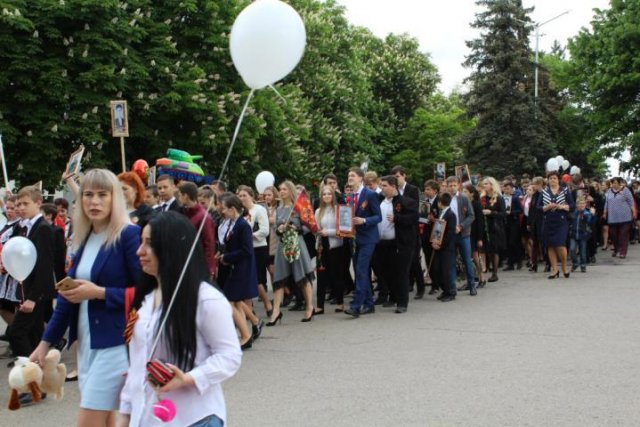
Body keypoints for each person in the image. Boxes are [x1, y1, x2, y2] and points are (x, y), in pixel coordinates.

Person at [30, 169, 141, 427]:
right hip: (87, 344)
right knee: (108, 421)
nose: (94, 201)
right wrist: (45, 344)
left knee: (89, 421)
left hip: (116, 344)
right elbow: (68, 297)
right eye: (88, 195)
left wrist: (99, 293)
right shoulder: (86, 237)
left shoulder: (128, 235)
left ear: (115, 198)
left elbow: (149, 292)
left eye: (103, 194)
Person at [118, 212, 242, 427]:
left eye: (149, 244)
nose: (140, 251)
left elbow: (230, 356)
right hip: (147, 418)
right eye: (141, 243)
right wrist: (125, 414)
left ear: (171, 248)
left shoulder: (206, 299)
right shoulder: (145, 300)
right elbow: (137, 366)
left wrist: (189, 378)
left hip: (194, 418)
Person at [6, 187, 56, 363]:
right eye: (18, 204)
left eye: (25, 204)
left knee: (16, 332)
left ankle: (30, 372)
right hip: (29, 290)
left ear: (38, 203)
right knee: (35, 336)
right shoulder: (25, 227)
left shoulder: (42, 228)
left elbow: (44, 266)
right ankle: (37, 383)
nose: (20, 207)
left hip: (38, 293)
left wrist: (33, 298)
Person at [216, 193, 261, 349]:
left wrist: (227, 257)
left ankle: (246, 335)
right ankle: (247, 331)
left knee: (230, 301)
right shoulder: (232, 224)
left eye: (224, 209)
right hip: (234, 268)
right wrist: (222, 254)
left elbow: (247, 251)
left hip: (241, 269)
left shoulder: (243, 225)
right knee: (235, 302)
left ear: (232, 209)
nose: (222, 212)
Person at [268, 181, 315, 325]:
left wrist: (294, 227)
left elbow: (308, 228)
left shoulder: (298, 206)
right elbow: (276, 229)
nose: (282, 192)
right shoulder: (279, 208)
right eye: (280, 189)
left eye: (285, 189)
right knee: (279, 277)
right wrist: (279, 229)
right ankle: (276, 312)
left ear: (291, 191)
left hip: (296, 243)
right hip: (283, 244)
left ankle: (309, 306)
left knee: (302, 277)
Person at [375, 175, 419, 312]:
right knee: (388, 272)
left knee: (401, 273)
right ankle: (392, 297)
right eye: (381, 185)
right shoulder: (381, 200)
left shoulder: (406, 201)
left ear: (393, 186)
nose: (382, 188)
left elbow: (413, 218)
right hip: (383, 242)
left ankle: (402, 302)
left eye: (384, 185)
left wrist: (397, 218)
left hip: (400, 243)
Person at [344, 167, 382, 318]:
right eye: (348, 176)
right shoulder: (349, 196)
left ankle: (356, 306)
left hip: (368, 239)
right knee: (362, 272)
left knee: (360, 270)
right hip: (354, 239)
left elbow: (378, 217)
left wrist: (364, 220)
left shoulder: (370, 195)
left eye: (352, 175)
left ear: (361, 178)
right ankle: (369, 304)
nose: (350, 178)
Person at [237, 185, 272, 316]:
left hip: (258, 248)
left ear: (251, 196)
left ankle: (268, 304)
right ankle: (249, 309)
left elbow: (265, 230)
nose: (242, 198)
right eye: (240, 196)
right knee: (246, 279)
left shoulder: (259, 210)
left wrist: (251, 235)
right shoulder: (240, 212)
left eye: (244, 195)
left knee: (258, 280)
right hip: (245, 249)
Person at [177, 181, 217, 281]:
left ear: (185, 196)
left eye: (180, 195)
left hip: (199, 266)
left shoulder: (204, 217)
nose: (178, 198)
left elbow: (209, 245)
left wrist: (210, 269)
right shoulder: (185, 212)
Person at [315, 185, 345, 313]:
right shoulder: (318, 211)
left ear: (333, 196)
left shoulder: (339, 210)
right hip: (322, 245)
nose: (326, 196)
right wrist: (317, 231)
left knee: (336, 274)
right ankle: (320, 305)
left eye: (329, 194)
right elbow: (315, 229)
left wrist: (330, 232)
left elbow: (345, 229)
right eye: (324, 194)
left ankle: (340, 302)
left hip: (335, 245)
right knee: (321, 276)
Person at [539, 171, 575, 279]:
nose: (552, 180)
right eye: (550, 178)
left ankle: (564, 266)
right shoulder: (544, 192)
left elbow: (572, 205)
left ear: (558, 179)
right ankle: (554, 269)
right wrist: (547, 207)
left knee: (560, 244)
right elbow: (538, 207)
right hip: (548, 220)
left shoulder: (564, 191)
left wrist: (562, 207)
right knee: (550, 246)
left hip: (561, 221)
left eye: (554, 178)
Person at [446, 176, 477, 296]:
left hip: (463, 234)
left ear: (458, 185)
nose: (452, 188)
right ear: (447, 186)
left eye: (454, 185)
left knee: (467, 260)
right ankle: (452, 287)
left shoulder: (464, 198)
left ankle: (471, 285)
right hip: (450, 235)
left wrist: (461, 226)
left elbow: (471, 215)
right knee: (452, 261)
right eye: (450, 185)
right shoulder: (445, 199)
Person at [479, 177, 506, 282]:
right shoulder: (483, 197)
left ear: (492, 185)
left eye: (486, 184)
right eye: (484, 184)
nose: (484, 186)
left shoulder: (498, 198)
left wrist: (491, 213)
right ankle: (489, 269)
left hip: (495, 227)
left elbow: (503, 214)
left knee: (494, 251)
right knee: (488, 251)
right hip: (485, 227)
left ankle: (495, 273)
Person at [432, 192, 457, 302]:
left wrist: (440, 244)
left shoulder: (451, 214)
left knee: (445, 271)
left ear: (440, 203)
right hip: (439, 246)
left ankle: (450, 292)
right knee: (437, 269)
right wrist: (435, 241)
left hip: (447, 248)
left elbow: (450, 233)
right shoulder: (442, 213)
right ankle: (444, 290)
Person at [604, 177, 636, 259]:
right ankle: (616, 249)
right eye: (612, 183)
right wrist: (605, 212)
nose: (613, 185)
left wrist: (634, 211)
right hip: (612, 217)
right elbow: (606, 203)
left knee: (623, 235)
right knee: (613, 235)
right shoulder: (609, 191)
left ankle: (622, 252)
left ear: (619, 183)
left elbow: (631, 201)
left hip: (625, 217)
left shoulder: (625, 190)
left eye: (615, 183)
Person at [462, 183, 486, 288]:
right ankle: (472, 278)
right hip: (467, 232)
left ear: (471, 193)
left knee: (475, 256)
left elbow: (480, 221)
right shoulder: (464, 202)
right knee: (469, 257)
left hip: (475, 233)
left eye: (465, 191)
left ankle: (482, 277)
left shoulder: (476, 204)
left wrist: (480, 238)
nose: (463, 193)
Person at [420, 180, 440, 295]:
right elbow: (421, 218)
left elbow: (443, 218)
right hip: (426, 234)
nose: (426, 191)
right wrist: (423, 218)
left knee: (436, 260)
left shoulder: (439, 201)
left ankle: (438, 283)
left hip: (437, 234)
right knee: (428, 259)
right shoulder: (424, 202)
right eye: (425, 189)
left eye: (428, 189)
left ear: (435, 190)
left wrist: (434, 219)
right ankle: (433, 283)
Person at [502, 180, 524, 270]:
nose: (506, 191)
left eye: (508, 189)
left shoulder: (515, 198)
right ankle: (510, 263)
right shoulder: (503, 198)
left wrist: (511, 212)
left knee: (514, 242)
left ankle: (519, 261)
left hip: (514, 221)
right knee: (508, 243)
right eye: (505, 189)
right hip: (506, 222)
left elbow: (520, 210)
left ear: (512, 189)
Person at [570, 198, 594, 273]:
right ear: (577, 205)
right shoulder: (574, 213)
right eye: (579, 204)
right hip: (573, 234)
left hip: (583, 234)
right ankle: (575, 263)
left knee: (582, 251)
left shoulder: (587, 213)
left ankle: (583, 265)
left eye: (583, 204)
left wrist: (592, 214)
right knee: (572, 249)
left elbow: (590, 222)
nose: (581, 205)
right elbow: (570, 220)